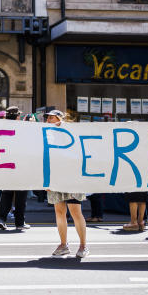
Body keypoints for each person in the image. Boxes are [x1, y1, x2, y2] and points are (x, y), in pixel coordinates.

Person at [44, 110, 88, 258]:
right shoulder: (46, 135)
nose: (49, 120)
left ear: (60, 119)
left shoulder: (70, 131)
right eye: (48, 118)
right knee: (59, 211)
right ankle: (63, 245)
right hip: (55, 177)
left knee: (75, 211)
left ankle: (83, 246)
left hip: (72, 177)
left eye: (51, 117)